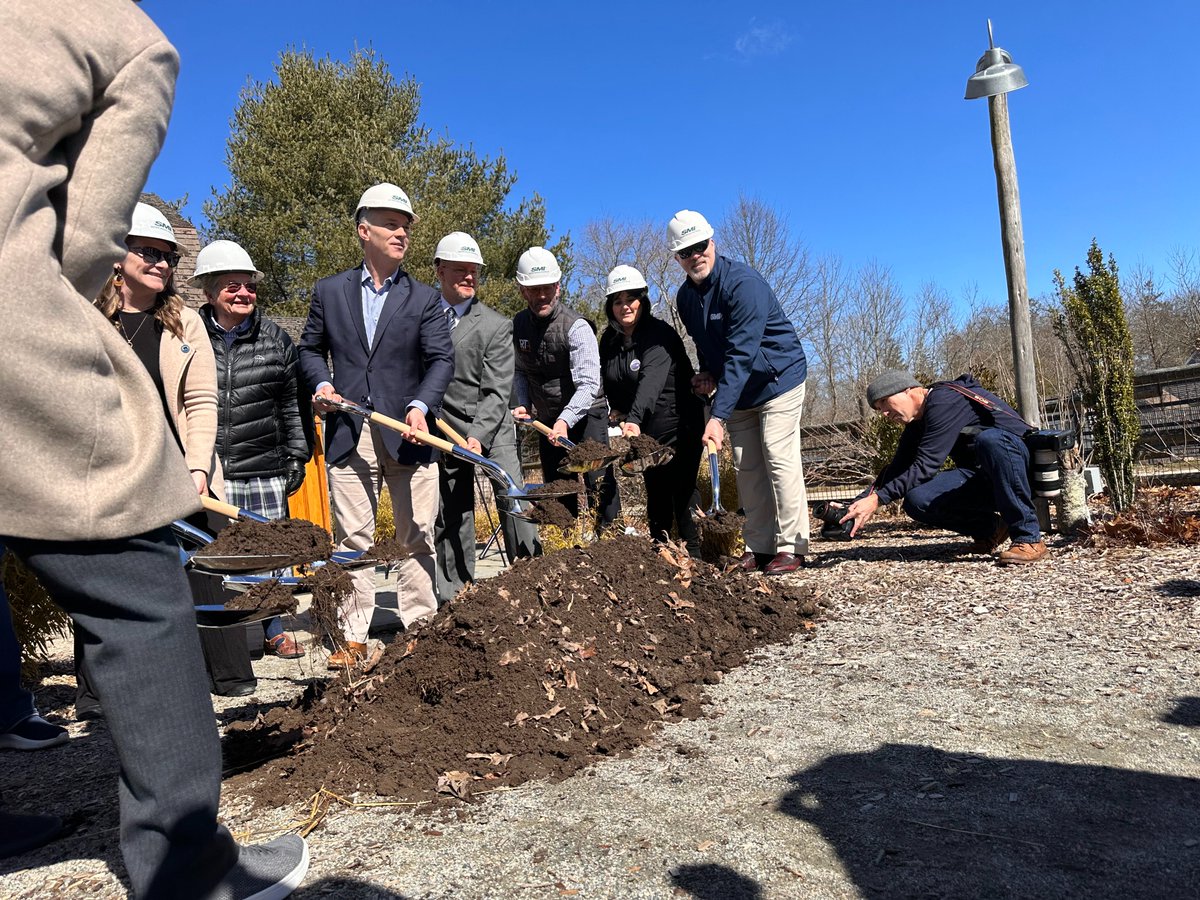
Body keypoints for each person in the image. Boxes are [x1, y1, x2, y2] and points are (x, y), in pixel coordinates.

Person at [0, 0, 307, 895]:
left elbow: (206, 390)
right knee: (138, 592)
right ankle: (188, 868)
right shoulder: (119, 33)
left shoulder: (192, 329)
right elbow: (83, 236)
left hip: (218, 464)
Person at [80, 201, 256, 704]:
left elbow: (202, 400)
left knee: (201, 570)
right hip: (111, 469)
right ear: (118, 257)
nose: (160, 263)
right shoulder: (88, 320)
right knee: (106, 578)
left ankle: (227, 674)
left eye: (168, 256)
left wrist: (198, 467)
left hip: (179, 466)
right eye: (148, 252)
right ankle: (97, 690)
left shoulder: (183, 323)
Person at [299, 183, 454, 666]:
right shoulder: (329, 292)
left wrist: (420, 406)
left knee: (416, 535)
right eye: (390, 223)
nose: (401, 231)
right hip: (349, 429)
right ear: (363, 230)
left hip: (407, 430)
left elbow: (440, 359)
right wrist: (321, 385)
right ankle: (351, 636)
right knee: (353, 538)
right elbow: (308, 349)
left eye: (405, 224)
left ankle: (420, 630)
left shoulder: (424, 298)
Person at [669, 210, 811, 575]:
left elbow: (742, 353)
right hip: (740, 391)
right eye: (686, 252)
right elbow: (707, 346)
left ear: (712, 243)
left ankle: (792, 546)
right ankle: (760, 547)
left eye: (700, 246)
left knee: (778, 458)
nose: (695, 255)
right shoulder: (685, 298)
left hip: (778, 380)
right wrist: (708, 375)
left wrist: (717, 416)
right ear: (677, 258)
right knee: (748, 468)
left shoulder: (743, 284)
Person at [194, 240, 312, 658]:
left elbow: (292, 403)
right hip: (207, 464)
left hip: (262, 462)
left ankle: (274, 629)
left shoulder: (276, 339)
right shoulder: (188, 335)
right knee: (211, 555)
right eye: (231, 286)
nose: (243, 293)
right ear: (208, 292)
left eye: (248, 286)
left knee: (267, 554)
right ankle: (221, 641)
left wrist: (298, 454)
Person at [839, 371, 1048, 564]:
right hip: (985, 478)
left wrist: (877, 500)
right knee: (917, 500)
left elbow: (926, 466)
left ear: (907, 389)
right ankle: (991, 529)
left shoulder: (944, 400)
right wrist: (855, 504)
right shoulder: (917, 424)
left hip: (1020, 471)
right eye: (878, 408)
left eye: (884, 401)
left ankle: (1028, 538)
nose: (884, 413)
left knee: (990, 440)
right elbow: (897, 468)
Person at [431, 232, 540, 601]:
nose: (468, 277)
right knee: (452, 511)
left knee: (514, 501)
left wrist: (477, 435)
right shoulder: (424, 318)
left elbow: (495, 391)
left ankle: (529, 582)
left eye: (474, 271)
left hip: (491, 427)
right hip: (443, 429)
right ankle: (456, 594)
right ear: (440, 271)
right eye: (460, 270)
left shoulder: (495, 325)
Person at [510, 247, 620, 530]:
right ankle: (565, 548)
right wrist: (524, 402)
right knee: (559, 489)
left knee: (599, 483)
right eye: (534, 289)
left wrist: (565, 420)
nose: (542, 295)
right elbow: (520, 370)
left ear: (558, 287)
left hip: (586, 415)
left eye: (547, 287)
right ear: (523, 290)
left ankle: (612, 541)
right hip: (548, 420)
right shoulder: (518, 326)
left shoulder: (576, 327)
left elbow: (588, 384)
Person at [599, 265, 704, 557]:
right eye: (617, 301)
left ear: (642, 300)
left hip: (680, 424)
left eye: (630, 299)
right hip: (647, 433)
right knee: (656, 495)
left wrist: (633, 418)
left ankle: (696, 562)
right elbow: (610, 378)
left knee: (682, 494)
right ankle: (662, 558)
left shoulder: (660, 335)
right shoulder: (609, 341)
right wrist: (617, 409)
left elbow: (650, 383)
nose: (624, 306)